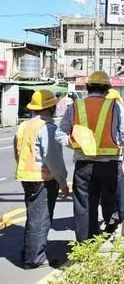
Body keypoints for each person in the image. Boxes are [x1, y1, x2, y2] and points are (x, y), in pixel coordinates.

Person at [55, 71, 124, 242]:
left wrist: (76, 143)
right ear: (107, 89)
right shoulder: (115, 106)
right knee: (111, 202)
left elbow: (60, 134)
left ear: (88, 87)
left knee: (84, 206)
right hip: (110, 164)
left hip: (83, 164)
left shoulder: (75, 106)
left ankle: (86, 244)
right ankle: (110, 236)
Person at [14, 90, 69, 269]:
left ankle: (29, 253)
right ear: (51, 107)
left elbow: (18, 151)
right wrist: (62, 181)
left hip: (26, 176)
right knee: (41, 219)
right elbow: (53, 159)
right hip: (43, 178)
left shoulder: (24, 126)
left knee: (33, 216)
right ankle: (34, 258)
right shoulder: (48, 128)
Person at [101, 88, 124, 233]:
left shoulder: (99, 111)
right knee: (121, 194)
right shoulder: (119, 109)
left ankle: (110, 221)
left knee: (106, 194)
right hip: (117, 158)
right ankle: (123, 221)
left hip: (97, 159)